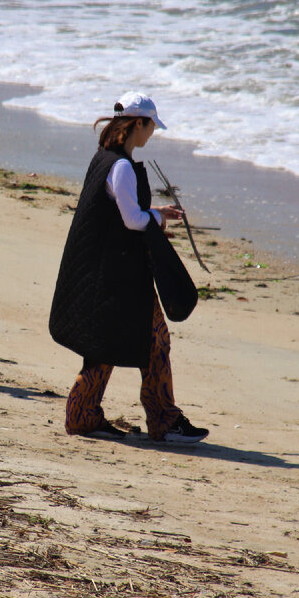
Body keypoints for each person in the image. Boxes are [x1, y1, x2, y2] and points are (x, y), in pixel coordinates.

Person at [49, 92, 209, 444]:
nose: (152, 133)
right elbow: (133, 220)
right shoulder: (120, 166)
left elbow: (122, 214)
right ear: (138, 123)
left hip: (102, 271)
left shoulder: (104, 159)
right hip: (118, 275)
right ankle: (164, 420)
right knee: (154, 342)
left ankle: (83, 415)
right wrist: (156, 217)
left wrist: (156, 214)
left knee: (104, 346)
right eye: (151, 125)